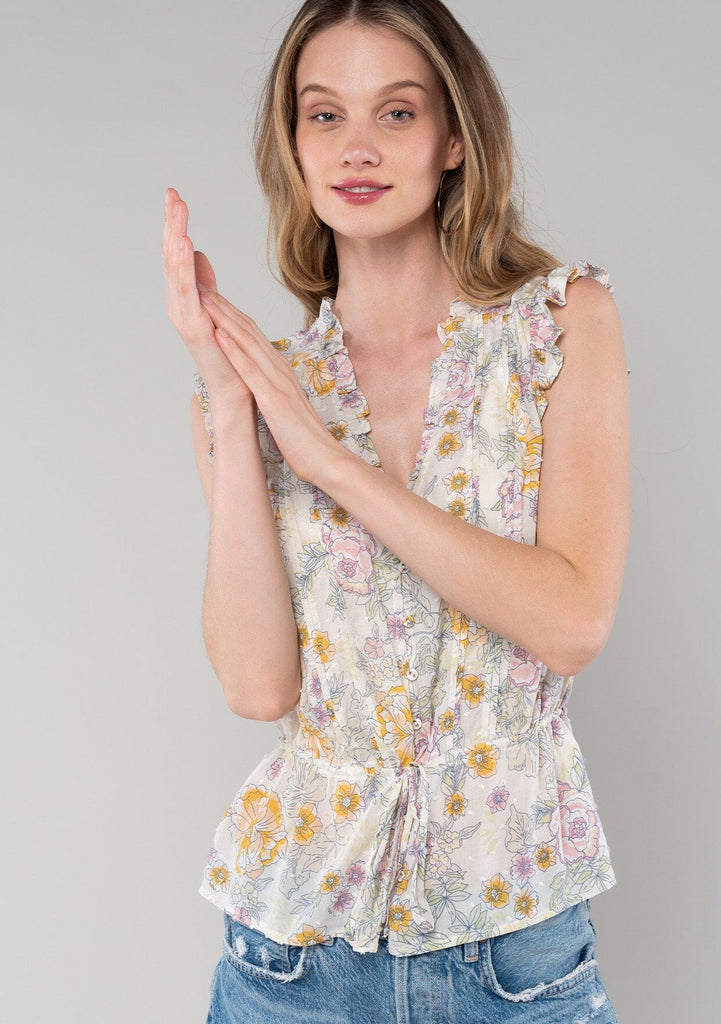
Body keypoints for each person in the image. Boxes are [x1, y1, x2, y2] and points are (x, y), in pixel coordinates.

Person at [162, 1, 630, 1020]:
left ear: (454, 137)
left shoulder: (556, 329)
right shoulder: (260, 387)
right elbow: (257, 683)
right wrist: (234, 410)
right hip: (294, 962)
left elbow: (571, 622)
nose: (357, 147)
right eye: (323, 115)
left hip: (516, 957)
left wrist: (331, 463)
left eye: (398, 112)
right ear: (291, 145)